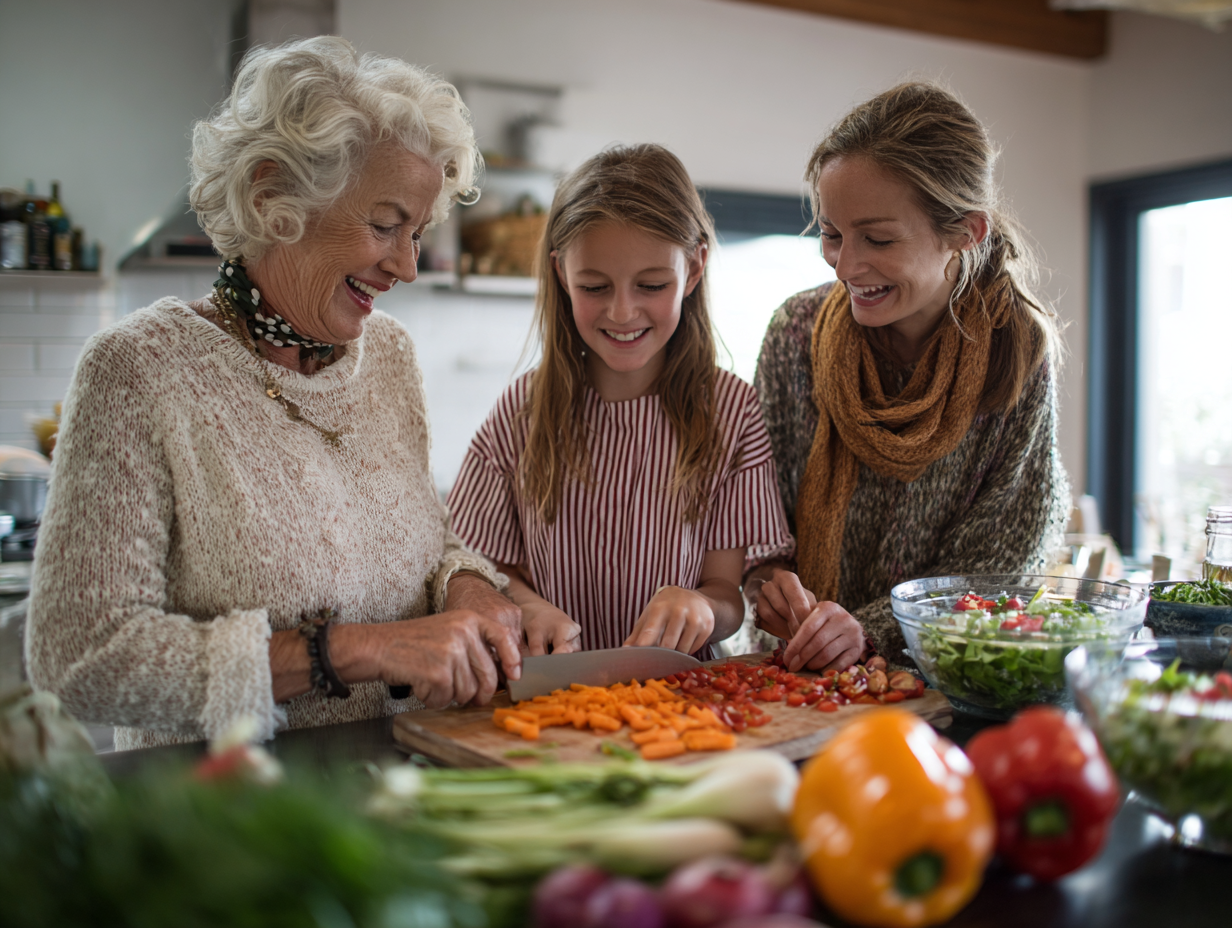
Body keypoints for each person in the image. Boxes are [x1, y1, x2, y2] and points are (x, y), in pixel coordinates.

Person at [25, 37, 523, 750]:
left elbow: (416, 542)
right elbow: (82, 657)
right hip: (230, 826)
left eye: (418, 232)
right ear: (272, 195)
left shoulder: (388, 356)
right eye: (385, 225)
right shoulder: (139, 369)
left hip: (395, 792)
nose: (408, 266)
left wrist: (466, 585)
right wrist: (344, 651)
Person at [746, 82, 1070, 673]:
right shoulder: (796, 334)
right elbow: (756, 515)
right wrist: (768, 582)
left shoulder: (1014, 357)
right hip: (789, 678)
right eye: (832, 233)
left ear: (965, 233)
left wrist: (868, 630)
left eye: (877, 238)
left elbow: (998, 569)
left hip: (937, 685)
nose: (845, 266)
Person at [447, 145, 793, 660]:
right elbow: (472, 562)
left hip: (679, 703)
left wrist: (700, 606)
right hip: (550, 698)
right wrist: (526, 606)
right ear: (562, 274)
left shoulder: (732, 412)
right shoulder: (520, 412)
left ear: (694, 269)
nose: (623, 311)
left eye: (652, 285)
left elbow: (728, 595)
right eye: (594, 286)